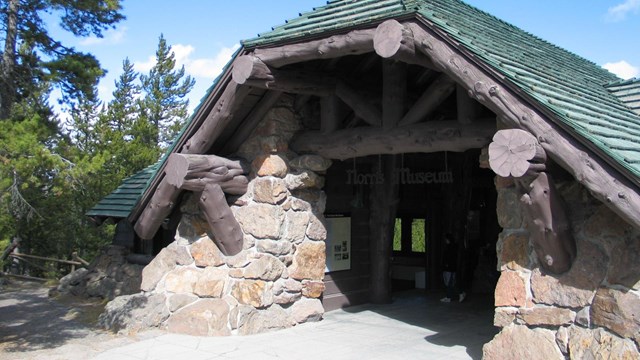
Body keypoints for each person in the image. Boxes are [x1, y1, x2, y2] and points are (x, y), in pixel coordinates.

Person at [440, 233, 466, 303]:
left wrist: (446, 265)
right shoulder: (451, 247)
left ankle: (459, 294)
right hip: (450, 267)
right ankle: (449, 296)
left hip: (450, 267)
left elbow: (450, 258)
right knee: (450, 283)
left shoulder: (451, 247)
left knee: (450, 283)